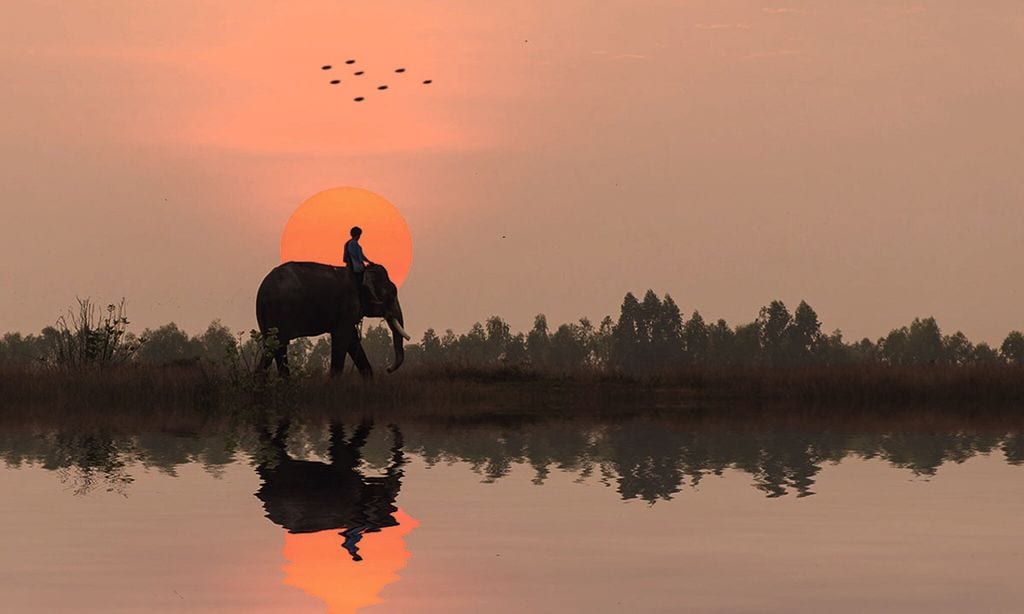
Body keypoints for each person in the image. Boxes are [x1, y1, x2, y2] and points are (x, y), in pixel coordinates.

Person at [343, 226, 380, 304]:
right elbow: (360, 257)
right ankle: (372, 297)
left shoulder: (348, 243)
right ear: (358, 235)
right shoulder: (354, 244)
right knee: (369, 279)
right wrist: (369, 262)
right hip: (357, 266)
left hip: (352, 265)